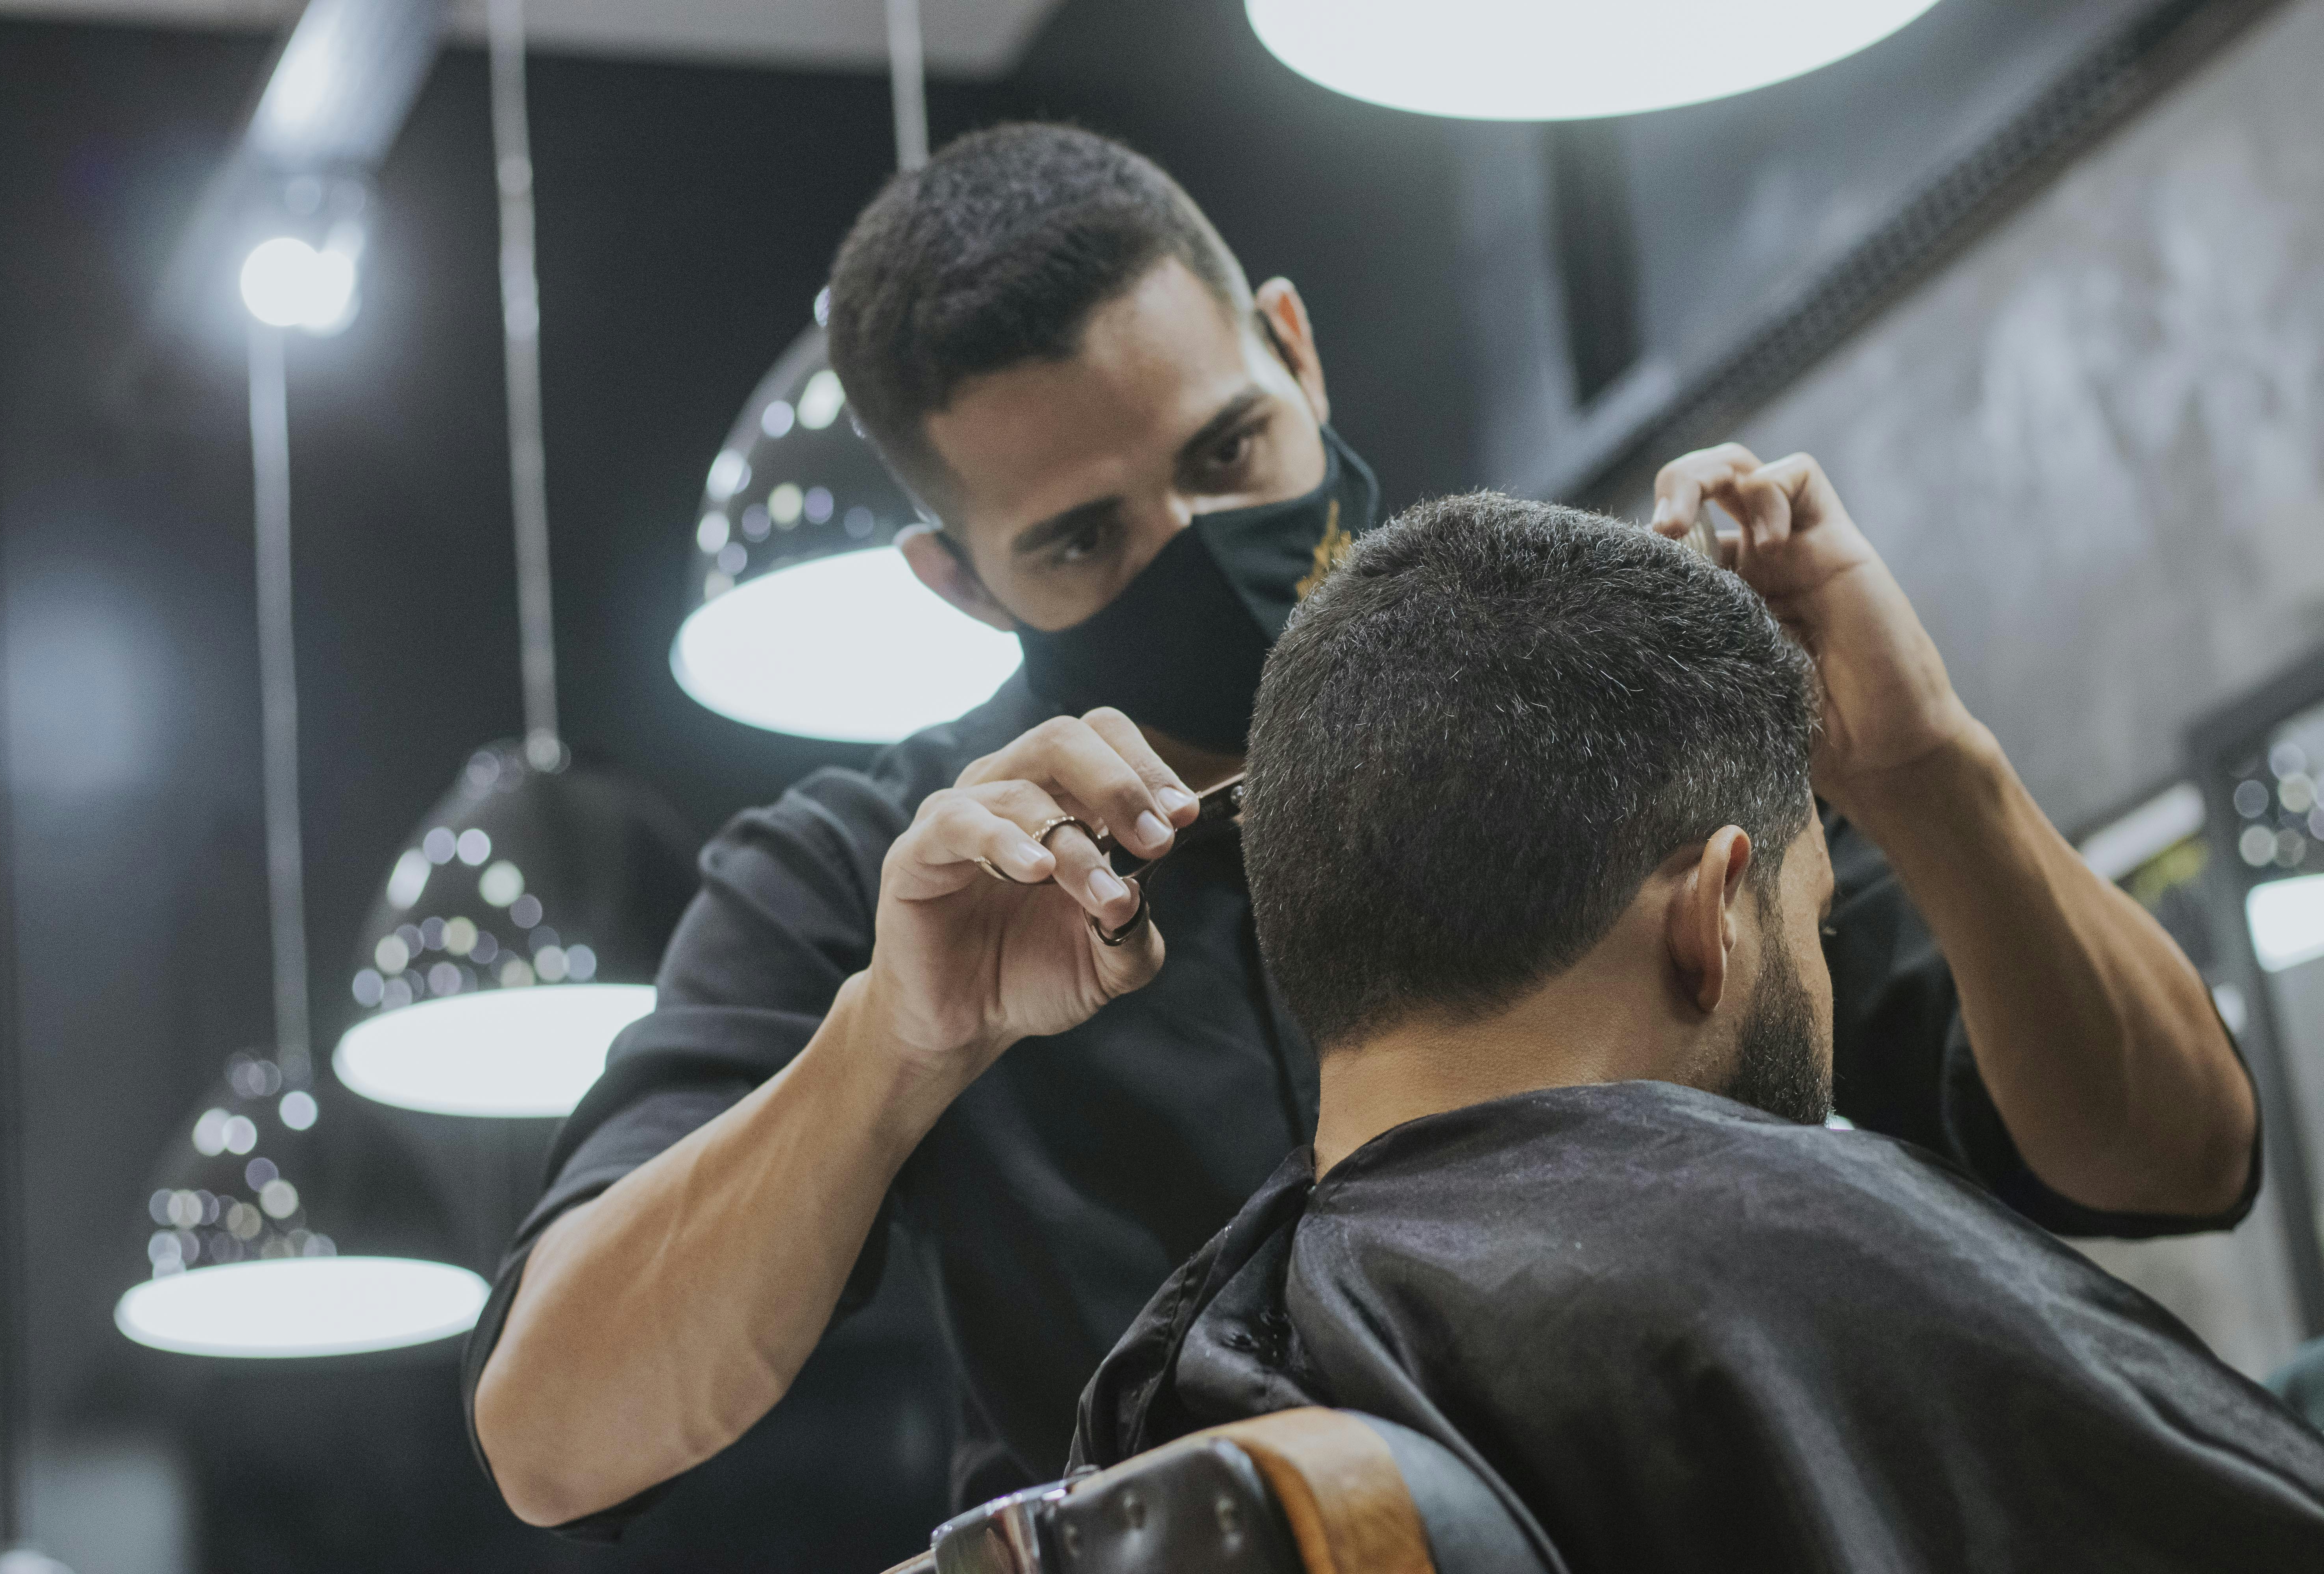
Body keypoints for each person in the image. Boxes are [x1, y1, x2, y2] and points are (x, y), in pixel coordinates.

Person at [465, 124, 2258, 1536]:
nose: (1195, 553)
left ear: (1297, 353)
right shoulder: (883, 879)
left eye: (1228, 456)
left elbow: (2173, 1156)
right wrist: (893, 1044)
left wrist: (1927, 767)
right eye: (1084, 540)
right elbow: (555, 1439)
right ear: (957, 580)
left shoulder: (1585, 669)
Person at [1073, 491, 2324, 1572]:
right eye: (1816, 920)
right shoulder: (1808, 1271)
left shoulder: (1171, 1394)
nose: (1818, 967)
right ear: (1713, 915)